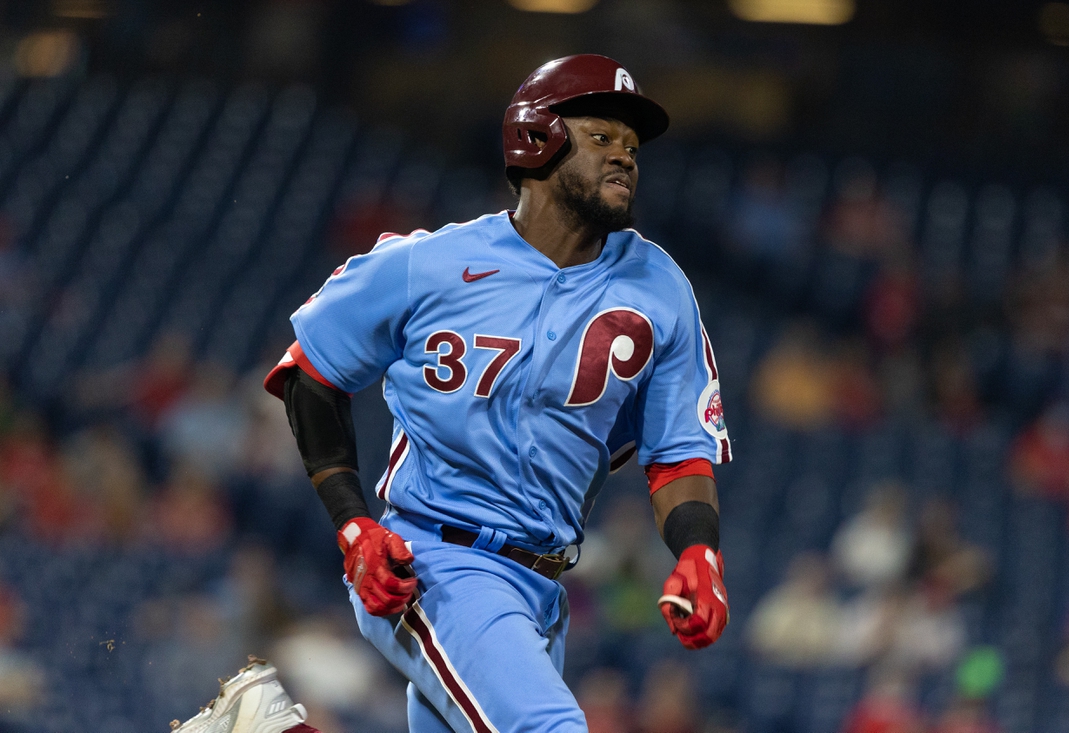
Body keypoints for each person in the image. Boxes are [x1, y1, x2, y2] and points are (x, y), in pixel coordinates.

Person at [174, 53, 731, 733]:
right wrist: (355, 525)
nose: (625, 158)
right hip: (434, 559)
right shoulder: (427, 264)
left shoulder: (660, 285)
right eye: (602, 137)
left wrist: (698, 550)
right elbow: (309, 373)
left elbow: (679, 454)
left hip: (540, 589)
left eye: (633, 147)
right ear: (537, 138)